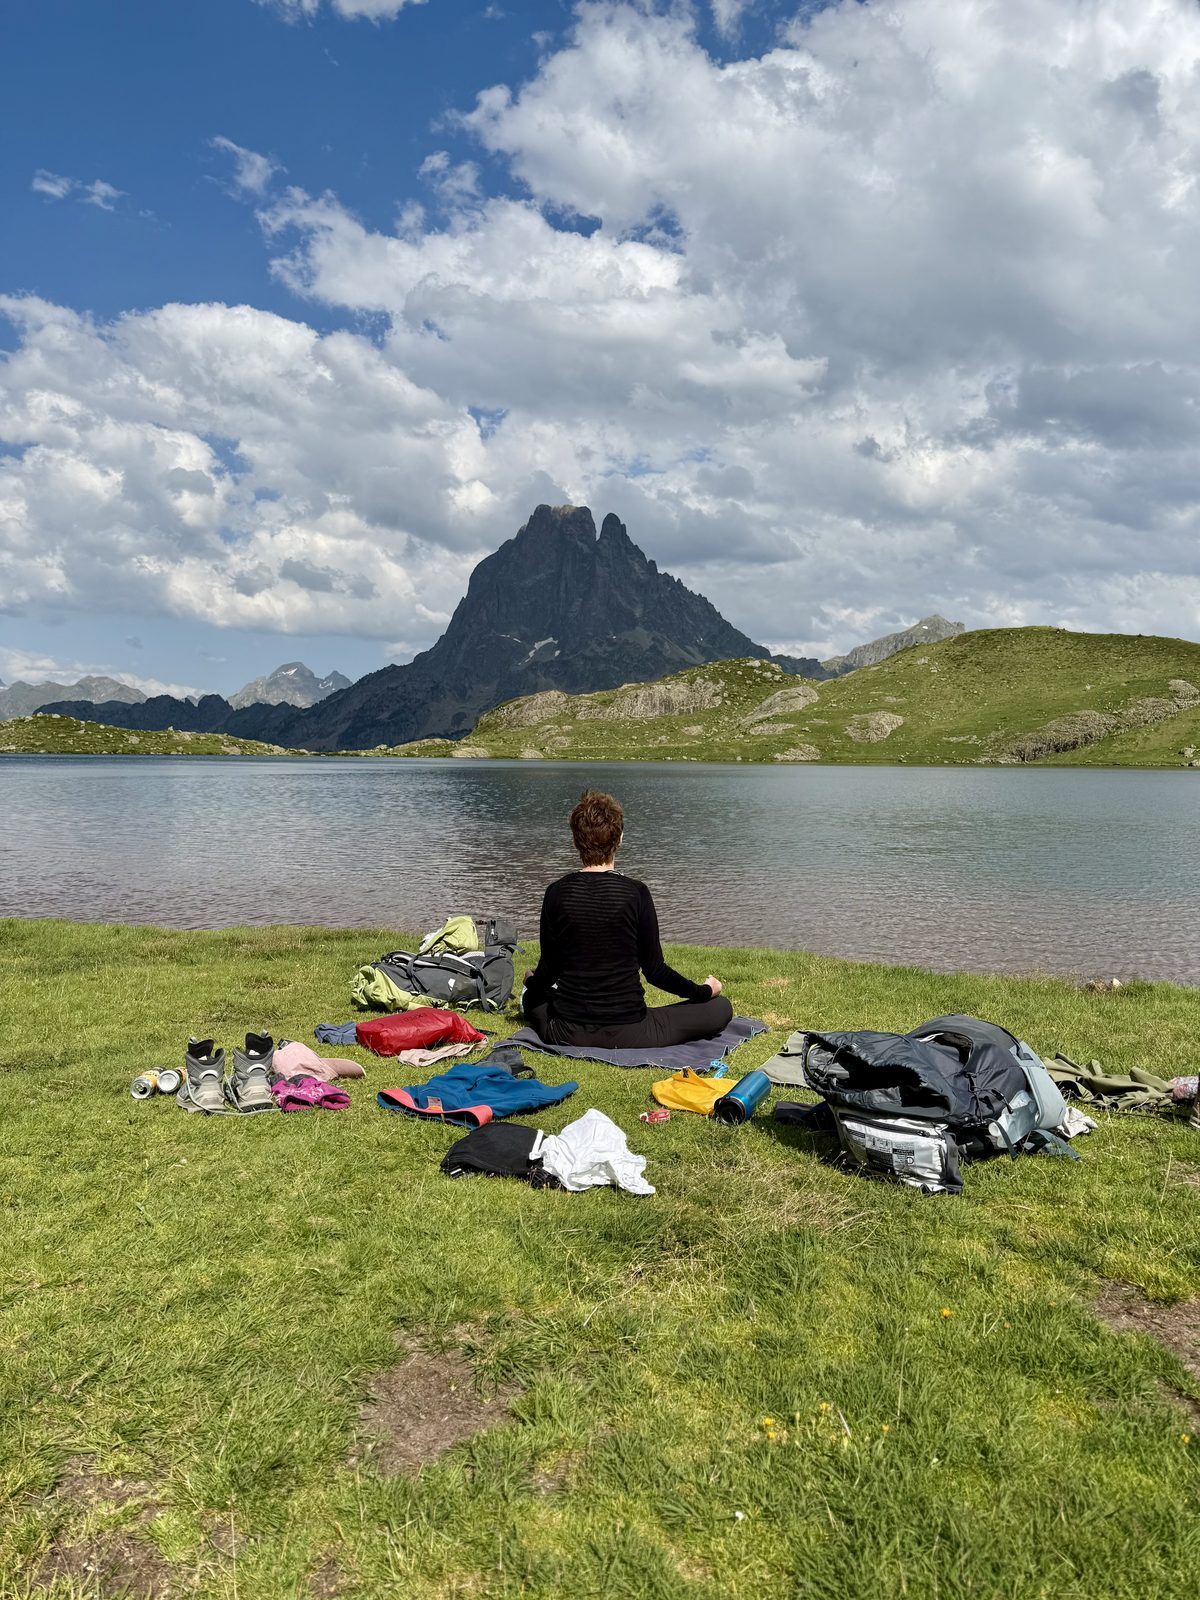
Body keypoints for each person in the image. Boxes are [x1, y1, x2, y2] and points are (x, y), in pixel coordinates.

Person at [522, 790, 734, 1049]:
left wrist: (532, 981)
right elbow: (655, 972)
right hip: (631, 1031)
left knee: (532, 998)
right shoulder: (636, 892)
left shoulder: (556, 892)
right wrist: (704, 991)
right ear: (619, 839)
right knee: (721, 1007)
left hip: (566, 1030)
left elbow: (550, 968)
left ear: (576, 841)